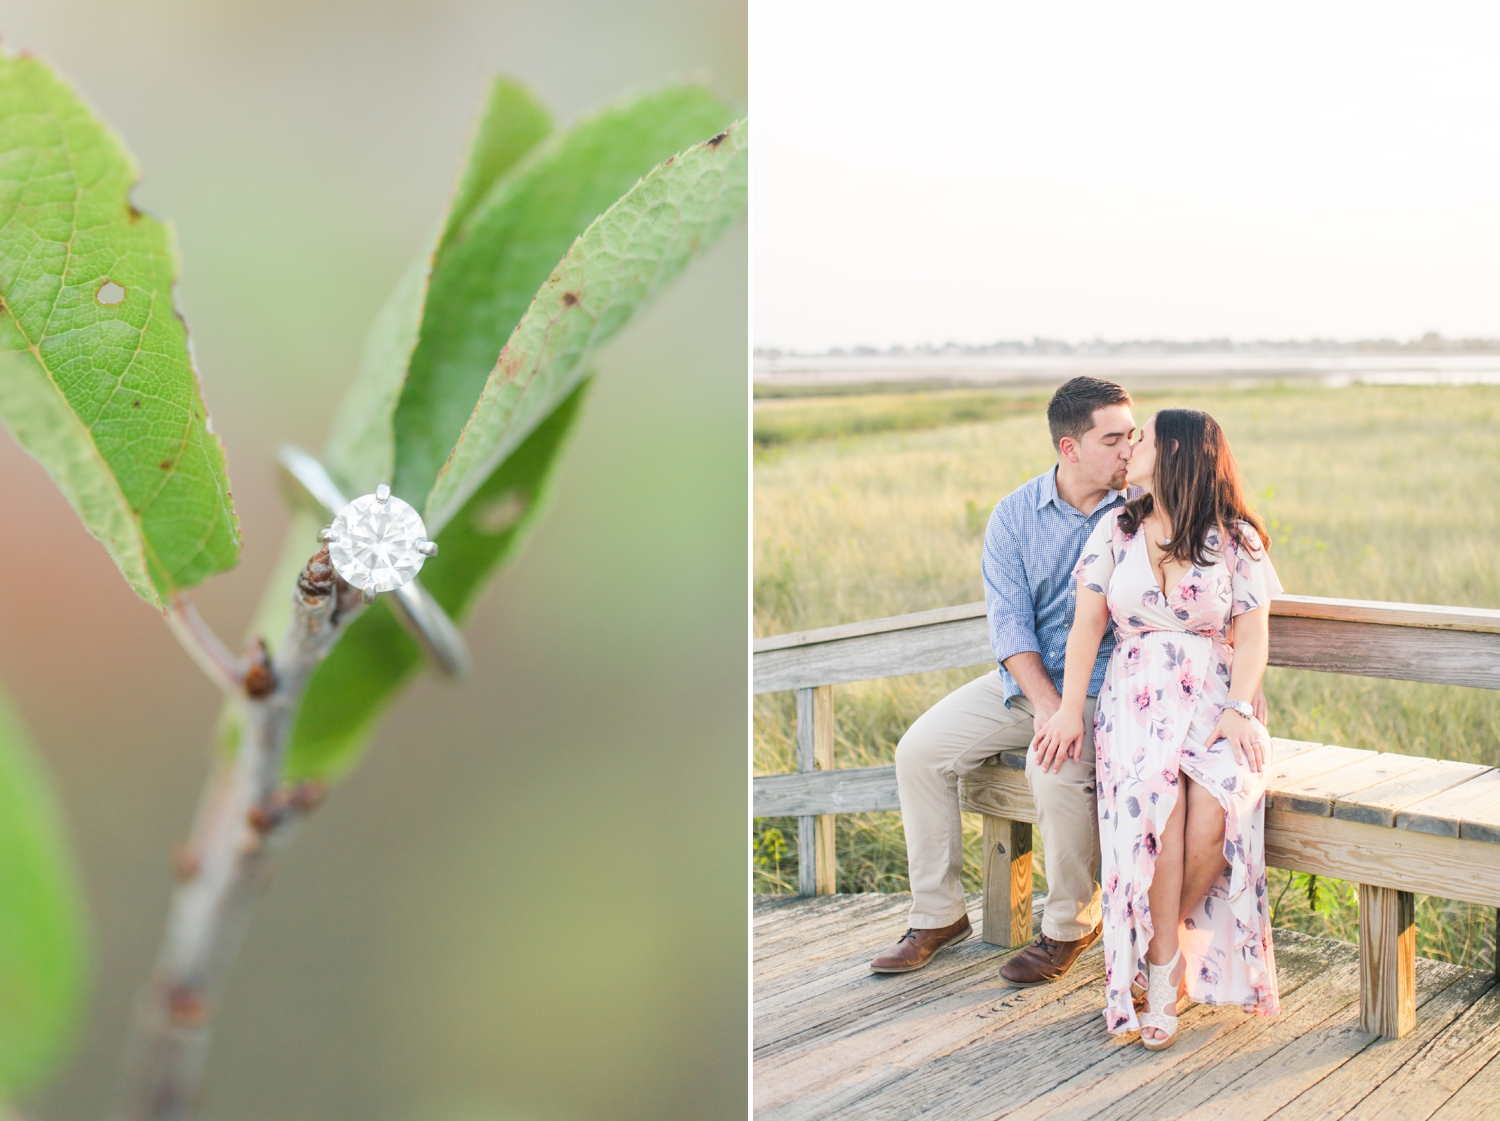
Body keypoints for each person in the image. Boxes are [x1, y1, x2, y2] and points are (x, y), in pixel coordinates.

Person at [869, 377, 1138, 983]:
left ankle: (1071, 924)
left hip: (1107, 689)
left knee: (1054, 768)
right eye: (1113, 438)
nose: (1129, 450)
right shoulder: (1015, 515)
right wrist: (1048, 705)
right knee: (919, 752)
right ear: (1070, 448)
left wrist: (1069, 711)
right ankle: (937, 915)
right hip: (1026, 685)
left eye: (1133, 436)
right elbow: (1010, 625)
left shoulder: (1143, 511)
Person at [1031, 407, 1282, 1050]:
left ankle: (1145, 950)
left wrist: (1238, 708)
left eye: (1143, 439)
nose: (1131, 447)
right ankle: (1164, 976)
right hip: (1137, 701)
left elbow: (1252, 635)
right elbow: (1086, 627)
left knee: (1216, 815)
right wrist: (1066, 708)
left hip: (1216, 702)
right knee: (1158, 820)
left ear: (1176, 455)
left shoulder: (1235, 539)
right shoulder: (1116, 529)